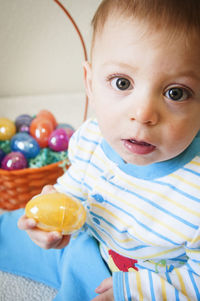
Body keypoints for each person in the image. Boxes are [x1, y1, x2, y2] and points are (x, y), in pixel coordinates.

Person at [1, 0, 200, 299]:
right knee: (13, 226)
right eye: (122, 83)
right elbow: (77, 186)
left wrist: (137, 290)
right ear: (90, 84)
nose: (143, 113)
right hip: (88, 241)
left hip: (140, 279)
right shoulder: (92, 137)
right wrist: (56, 217)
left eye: (176, 92)